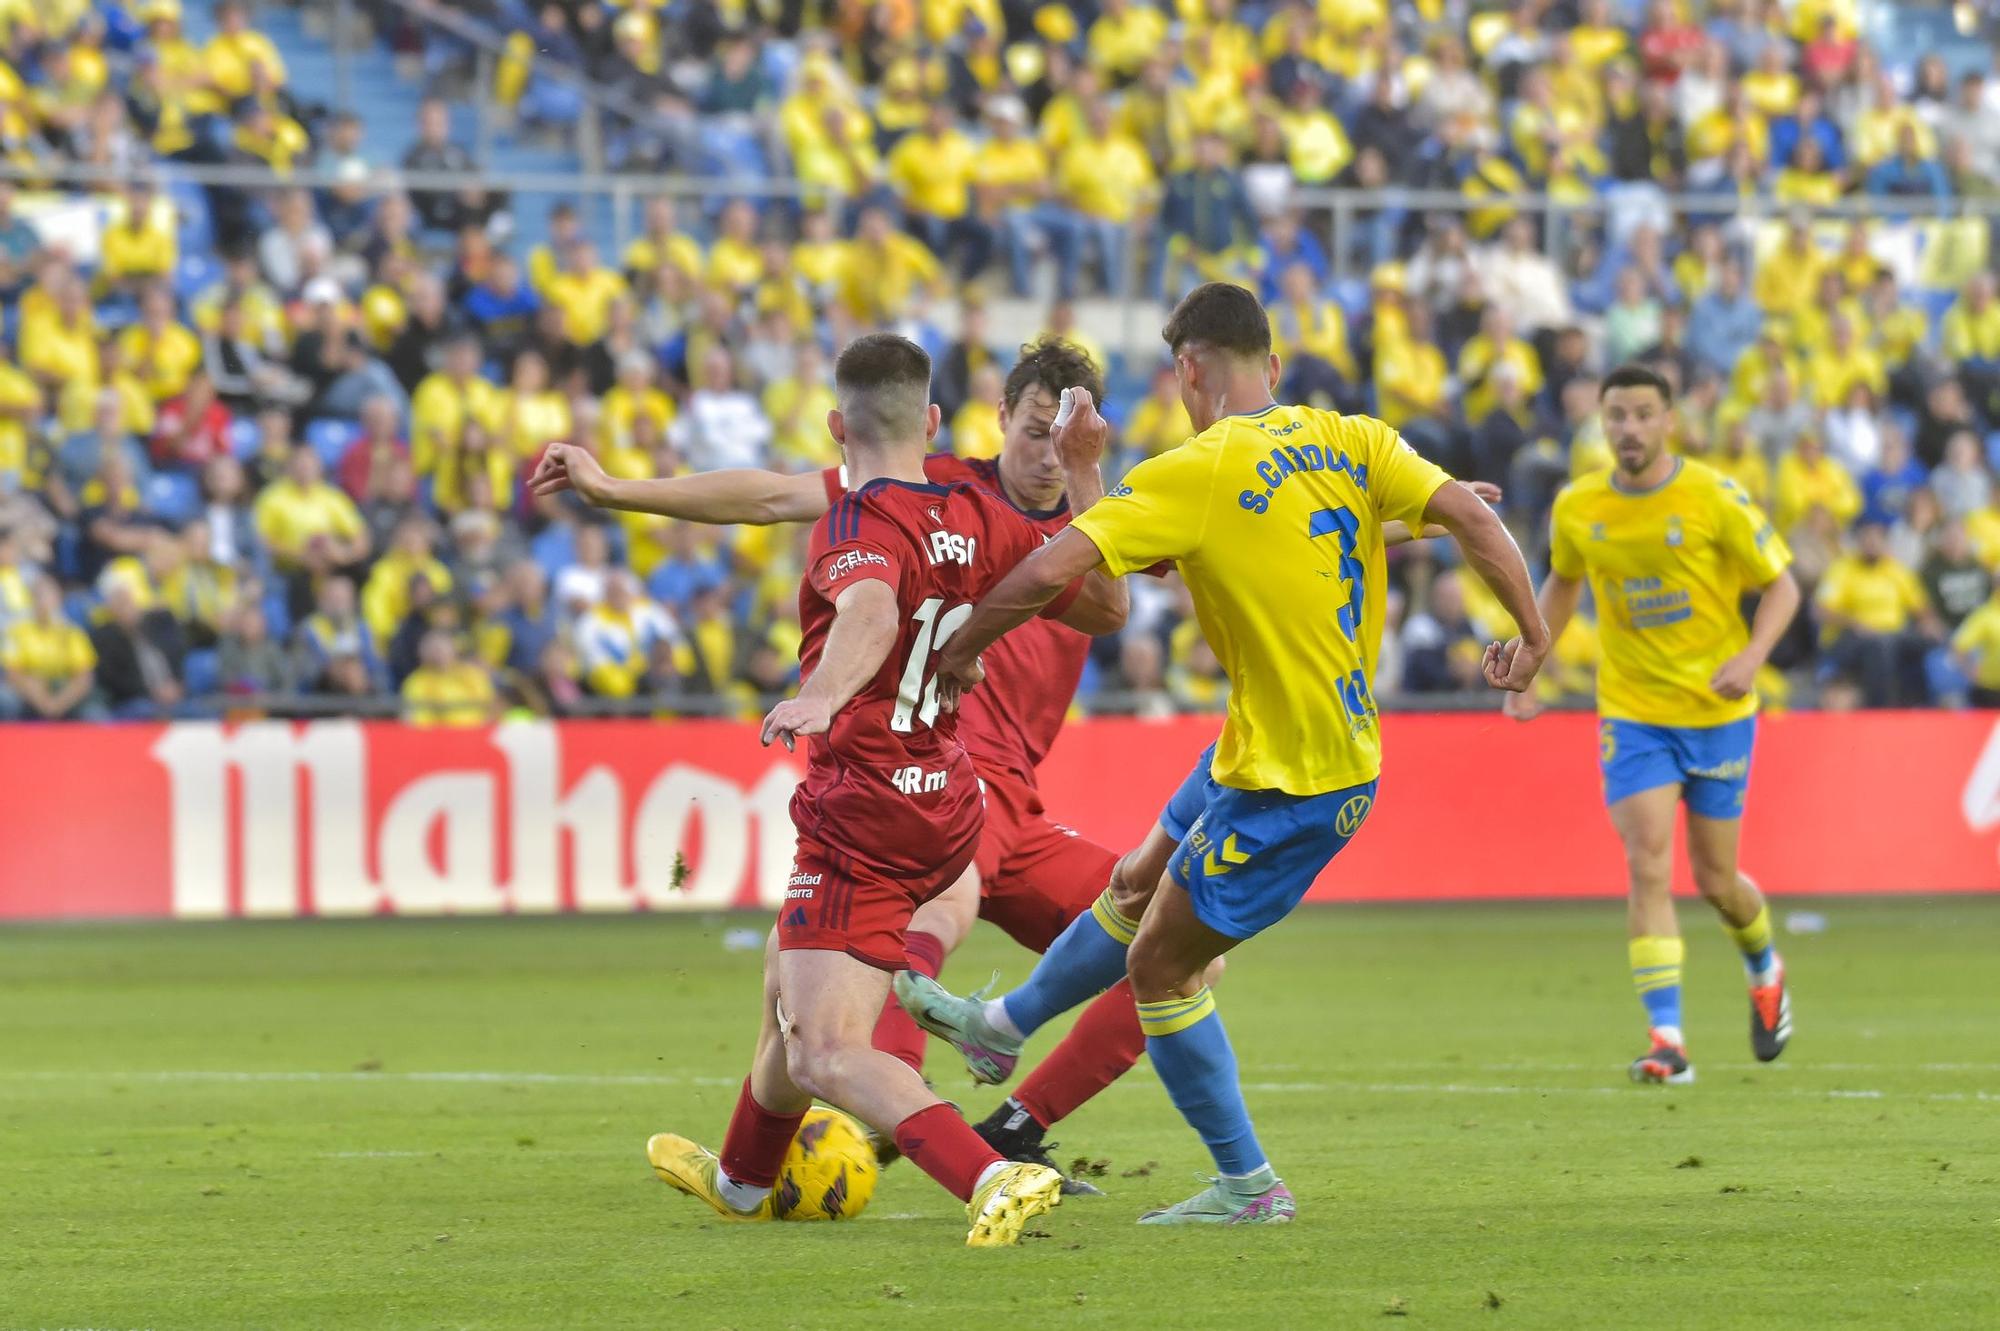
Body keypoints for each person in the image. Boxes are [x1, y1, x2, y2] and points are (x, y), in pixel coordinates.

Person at [894, 283, 1543, 1225]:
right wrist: (1531, 639)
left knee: (1160, 967)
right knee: (1133, 878)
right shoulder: (1353, 437)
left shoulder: (1194, 470)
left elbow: (1056, 572)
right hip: (1275, 747)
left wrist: (959, 649)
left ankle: (1250, 1186)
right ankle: (1002, 1028)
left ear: (1188, 370)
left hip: (1295, 781)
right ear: (1272, 367)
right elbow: (1471, 520)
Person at [610, 333, 1128, 1246]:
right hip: (947, 798)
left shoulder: (853, 520)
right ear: (934, 422)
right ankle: (738, 1178)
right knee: (787, 976)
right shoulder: (978, 512)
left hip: (864, 808)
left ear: (835, 426)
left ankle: (990, 1172)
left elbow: (871, 608)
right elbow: (1101, 603)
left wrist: (821, 692)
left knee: (825, 1047)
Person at [1505, 364, 1802, 1085]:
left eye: (1642, 414)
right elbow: (1564, 583)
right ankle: (1667, 1039)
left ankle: (1765, 965)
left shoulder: (1712, 496)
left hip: (1717, 710)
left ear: (1669, 420)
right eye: (1616, 415)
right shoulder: (1578, 507)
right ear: (1601, 423)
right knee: (1647, 862)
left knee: (1716, 878)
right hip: (1635, 712)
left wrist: (1752, 655)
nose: (1629, 428)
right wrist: (1528, 663)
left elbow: (1783, 585)